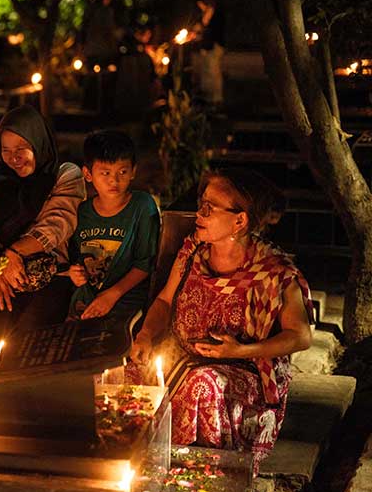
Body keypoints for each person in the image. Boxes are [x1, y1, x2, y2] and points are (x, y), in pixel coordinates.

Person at [129, 169, 313, 473]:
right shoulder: (191, 253)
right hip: (184, 357)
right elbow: (163, 300)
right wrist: (146, 335)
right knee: (131, 373)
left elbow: (300, 336)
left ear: (239, 221)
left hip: (243, 368)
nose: (199, 214)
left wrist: (239, 351)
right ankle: (137, 470)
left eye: (210, 208)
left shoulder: (273, 272)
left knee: (203, 385)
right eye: (202, 204)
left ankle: (202, 474)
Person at [0, 105, 85, 372]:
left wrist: (14, 254)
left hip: (50, 276)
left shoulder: (65, 174)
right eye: (6, 150)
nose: (14, 158)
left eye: (21, 148)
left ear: (38, 140)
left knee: (28, 345)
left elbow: (57, 224)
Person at [68, 130, 159, 321]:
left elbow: (145, 264)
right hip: (86, 301)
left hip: (127, 300)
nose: (114, 180)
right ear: (88, 174)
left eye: (122, 172)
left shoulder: (142, 206)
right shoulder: (81, 212)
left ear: (133, 170)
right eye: (105, 173)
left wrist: (112, 295)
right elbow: (76, 258)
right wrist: (75, 273)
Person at [190, 0, 225, 108]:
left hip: (214, 46)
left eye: (201, 4)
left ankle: (216, 99)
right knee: (206, 71)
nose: (200, 7)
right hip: (206, 46)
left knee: (213, 71)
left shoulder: (215, 13)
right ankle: (208, 98)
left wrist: (201, 34)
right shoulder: (205, 14)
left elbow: (213, 30)